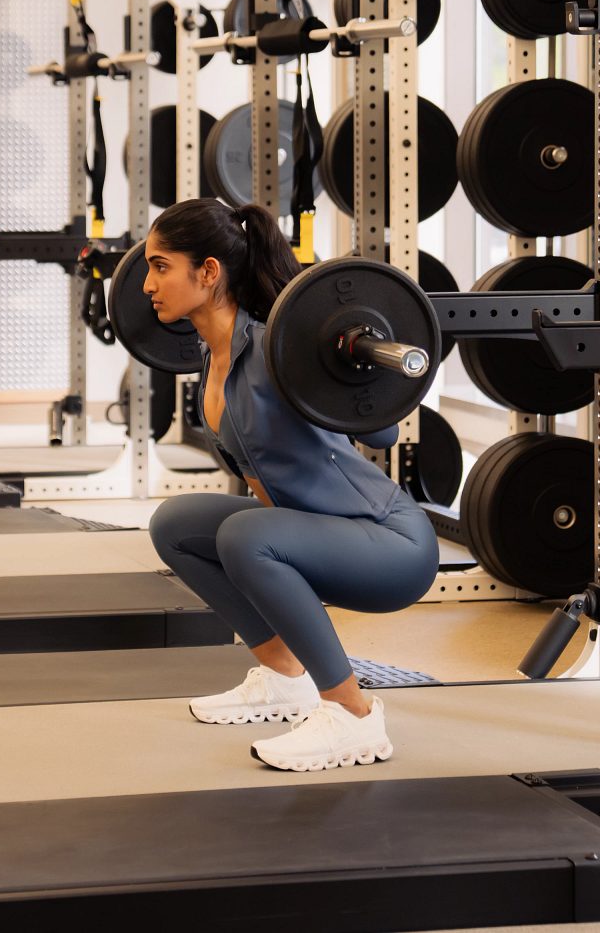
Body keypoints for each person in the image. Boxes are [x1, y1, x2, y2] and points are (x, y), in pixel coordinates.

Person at [143, 199, 439, 771]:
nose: (147, 285)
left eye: (160, 267)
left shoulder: (278, 346)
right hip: (314, 529)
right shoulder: (213, 354)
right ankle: (285, 677)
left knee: (247, 535)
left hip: (389, 543)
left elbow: (382, 429)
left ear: (208, 272)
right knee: (175, 525)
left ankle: (352, 716)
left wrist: (351, 358)